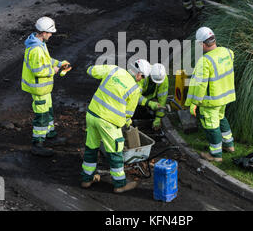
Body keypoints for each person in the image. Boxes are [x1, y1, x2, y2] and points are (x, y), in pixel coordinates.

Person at [81, 64, 142, 193]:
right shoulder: (135, 89)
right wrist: (127, 123)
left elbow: (90, 70)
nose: (141, 79)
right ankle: (120, 185)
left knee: (91, 147)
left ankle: (87, 179)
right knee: (115, 152)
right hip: (109, 123)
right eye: (142, 77)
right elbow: (128, 113)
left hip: (92, 115)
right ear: (138, 74)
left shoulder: (114, 70)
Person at [185, 27, 235, 162]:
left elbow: (201, 85)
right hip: (225, 96)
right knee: (221, 118)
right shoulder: (228, 52)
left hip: (211, 101)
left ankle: (215, 155)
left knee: (211, 126)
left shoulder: (205, 61)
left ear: (201, 44)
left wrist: (194, 103)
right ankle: (229, 145)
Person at [21, 17, 70, 157]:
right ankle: (37, 144)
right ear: (42, 32)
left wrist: (59, 63)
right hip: (39, 88)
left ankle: (50, 135)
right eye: (49, 33)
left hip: (44, 89)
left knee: (48, 111)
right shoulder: (36, 49)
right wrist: (53, 70)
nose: (51, 35)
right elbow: (39, 70)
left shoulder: (39, 43)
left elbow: (47, 60)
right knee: (41, 116)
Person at [137, 63, 169, 131]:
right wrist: (150, 103)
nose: (156, 83)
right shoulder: (141, 74)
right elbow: (135, 96)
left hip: (149, 98)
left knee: (154, 106)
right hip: (136, 97)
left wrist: (158, 117)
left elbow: (162, 100)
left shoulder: (163, 78)